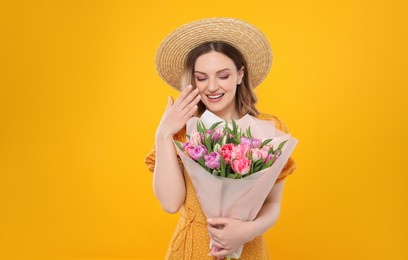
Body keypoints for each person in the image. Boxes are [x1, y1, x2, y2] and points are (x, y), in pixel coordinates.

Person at [145, 17, 296, 259]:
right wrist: (163, 134)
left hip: (249, 248)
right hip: (192, 249)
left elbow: (272, 204)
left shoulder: (269, 129)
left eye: (223, 76)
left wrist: (246, 231)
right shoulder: (182, 131)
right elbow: (170, 204)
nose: (212, 87)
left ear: (240, 75)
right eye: (202, 78)